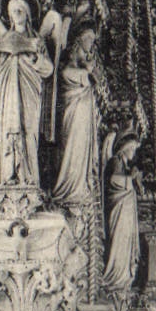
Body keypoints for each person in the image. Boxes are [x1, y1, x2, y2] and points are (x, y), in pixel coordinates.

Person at [0, 0, 54, 187]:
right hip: (7, 94)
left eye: (20, 10)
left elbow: (48, 69)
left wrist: (35, 58)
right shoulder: (4, 40)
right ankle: (9, 175)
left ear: (27, 14)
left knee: (28, 130)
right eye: (13, 11)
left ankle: (28, 176)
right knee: (8, 131)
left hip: (28, 92)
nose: (16, 14)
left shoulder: (36, 40)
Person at [52, 23, 100, 204]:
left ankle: (79, 188)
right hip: (74, 117)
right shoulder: (69, 71)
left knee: (80, 150)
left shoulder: (78, 70)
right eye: (88, 39)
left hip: (83, 119)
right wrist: (88, 68)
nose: (91, 44)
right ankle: (70, 189)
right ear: (78, 42)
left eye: (92, 41)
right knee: (73, 148)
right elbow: (88, 78)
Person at [103, 133, 143, 289]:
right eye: (132, 148)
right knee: (118, 241)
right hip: (118, 210)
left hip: (126, 213)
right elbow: (113, 180)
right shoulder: (116, 161)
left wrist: (135, 180)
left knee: (125, 243)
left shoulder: (125, 166)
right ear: (124, 148)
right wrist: (130, 178)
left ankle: (123, 276)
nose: (133, 152)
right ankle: (115, 275)